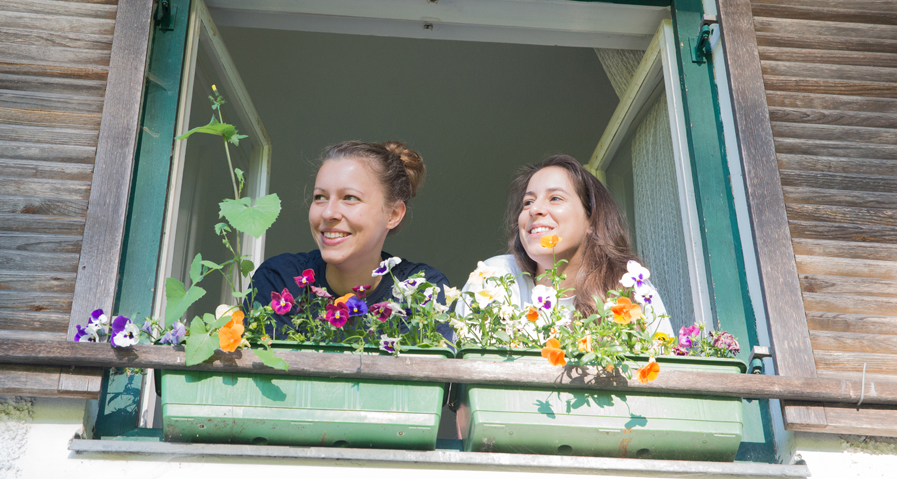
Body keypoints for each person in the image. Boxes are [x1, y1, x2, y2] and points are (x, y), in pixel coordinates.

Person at [248, 141, 450, 335]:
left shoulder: (422, 289)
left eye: (350, 198)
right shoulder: (279, 280)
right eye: (320, 197)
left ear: (393, 214)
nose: (328, 213)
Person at [457, 154, 673, 336]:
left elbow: (664, 373)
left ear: (591, 219)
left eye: (555, 198)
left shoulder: (631, 290)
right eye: (528, 202)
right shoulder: (495, 277)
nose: (534, 210)